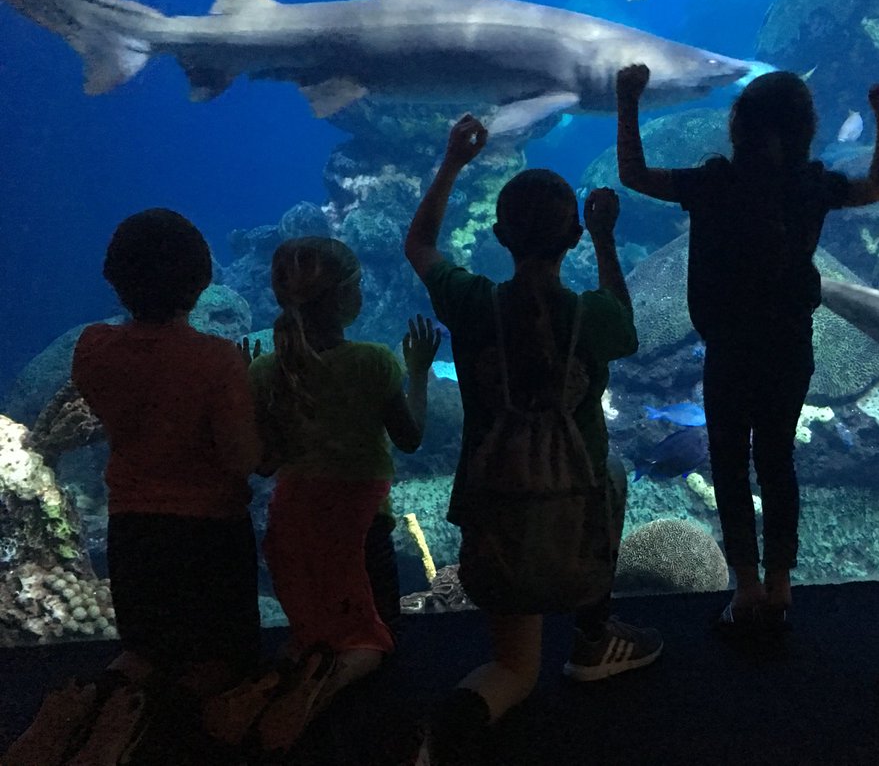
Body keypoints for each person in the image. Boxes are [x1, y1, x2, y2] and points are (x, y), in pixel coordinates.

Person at [406, 115, 662, 764]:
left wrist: (452, 163)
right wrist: (607, 242)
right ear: (575, 237)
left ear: (498, 237)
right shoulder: (591, 317)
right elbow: (626, 328)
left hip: (498, 510)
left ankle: (443, 734)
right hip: (577, 519)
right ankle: (593, 637)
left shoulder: (470, 303)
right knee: (615, 476)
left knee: (513, 672)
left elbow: (419, 246)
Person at [615, 63, 879, 632]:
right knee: (777, 461)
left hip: (728, 348)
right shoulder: (812, 185)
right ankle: (780, 584)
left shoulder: (713, 182)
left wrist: (628, 100)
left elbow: (633, 173)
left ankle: (746, 586)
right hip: (790, 346)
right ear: (805, 130)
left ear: (738, 126)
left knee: (728, 461)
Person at [4, 208, 263, 766]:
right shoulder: (218, 360)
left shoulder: (93, 347)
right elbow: (243, 458)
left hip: (134, 529)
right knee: (217, 663)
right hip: (210, 534)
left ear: (114, 278)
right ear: (200, 282)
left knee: (143, 651)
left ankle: (91, 729)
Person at [226, 237, 438, 755]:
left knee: (315, 633)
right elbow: (411, 438)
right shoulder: (374, 362)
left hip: (293, 528)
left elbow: (264, 463)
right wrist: (417, 372)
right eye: (359, 283)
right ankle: (354, 723)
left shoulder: (263, 371)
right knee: (376, 637)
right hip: (360, 530)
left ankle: (292, 702)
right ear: (344, 298)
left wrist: (247, 386)